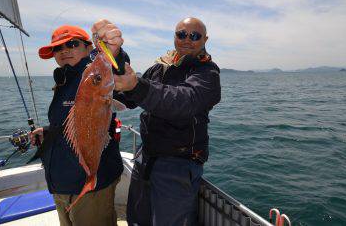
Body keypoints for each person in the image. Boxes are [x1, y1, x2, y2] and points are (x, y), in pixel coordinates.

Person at [108, 17, 221, 225]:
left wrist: (136, 87)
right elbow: (130, 93)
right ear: (174, 37)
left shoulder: (207, 72)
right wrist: (115, 54)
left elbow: (183, 101)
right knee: (137, 218)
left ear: (205, 39)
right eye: (181, 34)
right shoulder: (160, 67)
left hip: (178, 164)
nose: (187, 39)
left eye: (194, 36)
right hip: (146, 157)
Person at [29, 22, 128, 226]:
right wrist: (48, 132)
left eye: (72, 44)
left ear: (88, 47)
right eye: (58, 48)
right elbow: (72, 120)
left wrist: (114, 50)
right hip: (60, 181)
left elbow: (116, 69)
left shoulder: (92, 73)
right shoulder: (64, 79)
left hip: (91, 184)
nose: (64, 51)